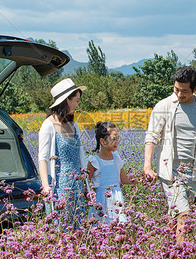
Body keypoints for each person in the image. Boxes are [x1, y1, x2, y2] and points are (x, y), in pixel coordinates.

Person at [143, 66, 196, 245]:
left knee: (176, 217)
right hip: (170, 172)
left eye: (184, 91)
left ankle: (168, 254)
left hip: (193, 171)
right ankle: (182, 256)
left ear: (195, 89)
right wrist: (148, 167)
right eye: (176, 89)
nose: (179, 94)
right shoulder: (164, 106)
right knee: (185, 215)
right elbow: (151, 136)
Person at [38, 78, 87, 229]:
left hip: (77, 184)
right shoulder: (48, 125)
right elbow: (42, 158)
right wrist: (46, 187)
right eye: (76, 101)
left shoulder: (74, 125)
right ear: (66, 100)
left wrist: (85, 181)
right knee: (61, 226)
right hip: (59, 185)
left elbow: (80, 156)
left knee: (79, 225)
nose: (77, 105)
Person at [86, 121, 134, 224]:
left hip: (117, 200)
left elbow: (124, 179)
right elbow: (87, 184)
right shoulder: (94, 161)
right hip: (101, 202)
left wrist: (140, 179)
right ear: (103, 141)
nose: (117, 142)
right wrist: (90, 196)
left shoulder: (116, 158)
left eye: (118, 139)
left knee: (118, 229)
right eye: (113, 139)